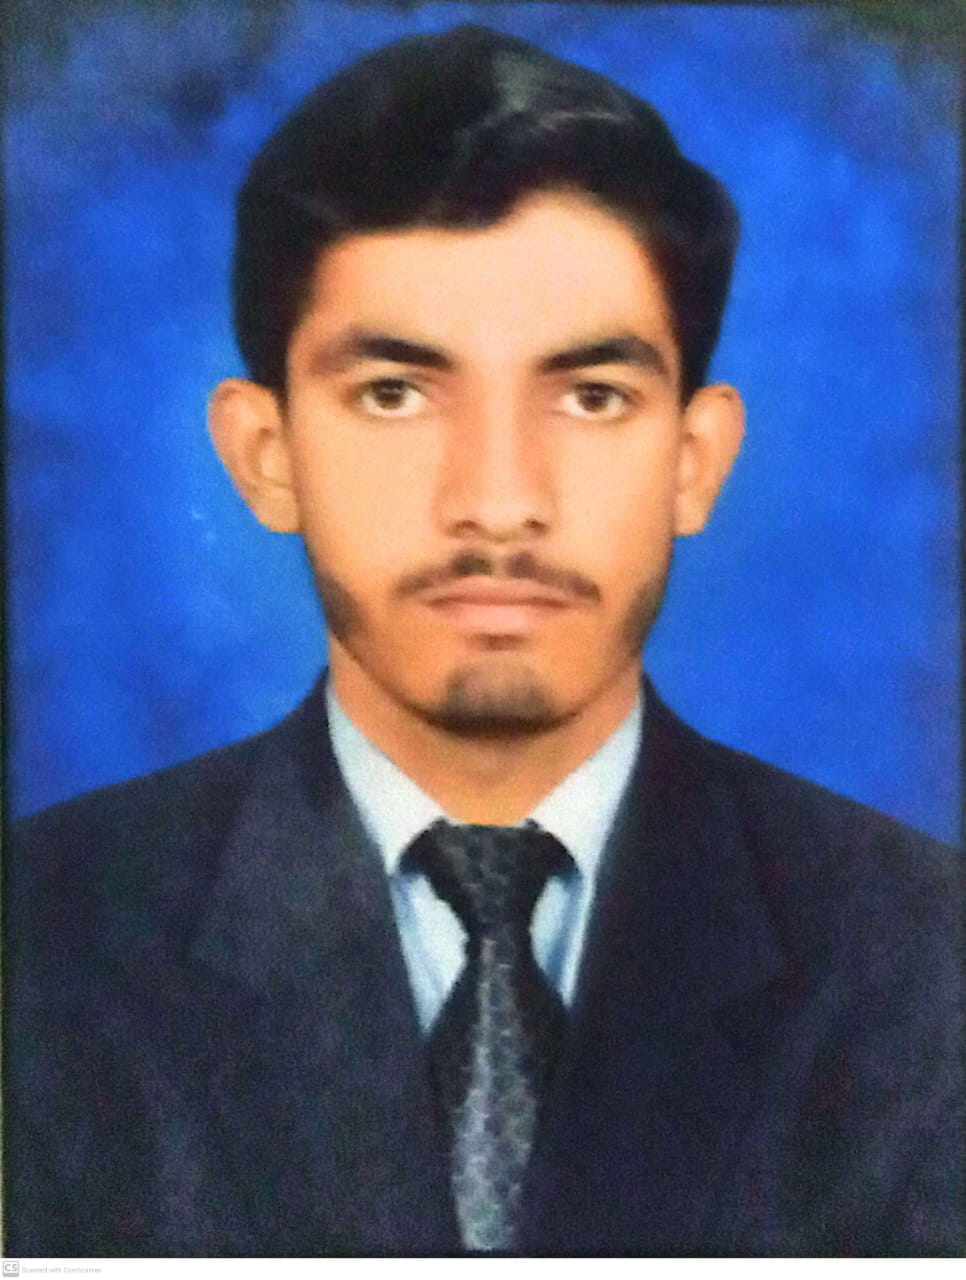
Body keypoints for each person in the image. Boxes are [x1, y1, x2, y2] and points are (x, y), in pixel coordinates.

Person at [6, 24, 961, 1258]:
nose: (500, 501)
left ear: (694, 459)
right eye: (395, 393)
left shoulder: (925, 963)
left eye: (592, 395)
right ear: (265, 453)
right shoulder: (42, 943)